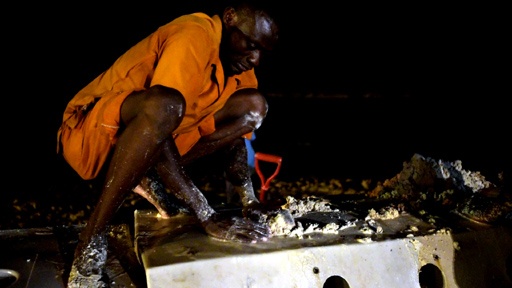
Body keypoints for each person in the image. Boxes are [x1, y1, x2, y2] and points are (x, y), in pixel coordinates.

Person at [56, 1, 279, 286]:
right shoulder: (194, 34)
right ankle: (92, 238)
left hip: (149, 139)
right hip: (91, 133)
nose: (255, 59)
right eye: (250, 44)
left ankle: (147, 174)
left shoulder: (238, 68)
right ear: (229, 18)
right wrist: (205, 213)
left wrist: (249, 200)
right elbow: (163, 114)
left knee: (253, 106)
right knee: (167, 105)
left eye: (262, 52)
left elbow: (236, 141)